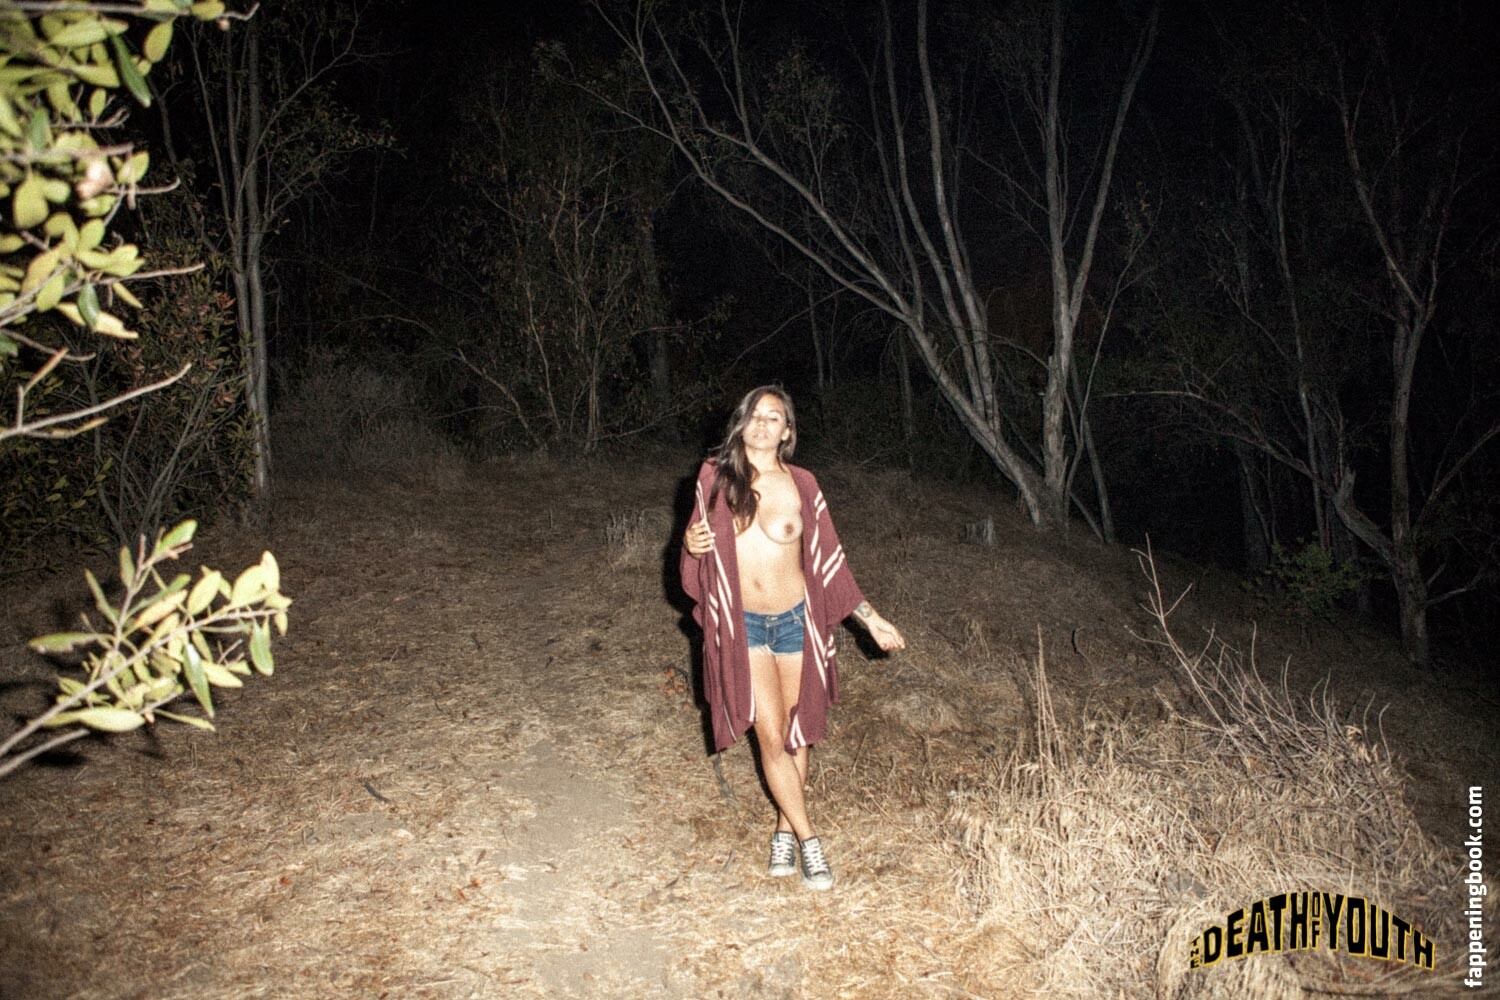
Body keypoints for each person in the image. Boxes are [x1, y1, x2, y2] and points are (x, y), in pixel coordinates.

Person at [680, 385, 905, 890]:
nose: (762, 424)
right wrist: (691, 547)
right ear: (742, 423)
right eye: (755, 415)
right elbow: (695, 549)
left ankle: (784, 828)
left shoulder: (803, 484)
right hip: (744, 625)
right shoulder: (714, 477)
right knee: (770, 733)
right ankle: (810, 840)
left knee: (798, 732)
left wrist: (870, 619)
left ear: (787, 432)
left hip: (797, 622)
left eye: (774, 417)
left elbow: (830, 562)